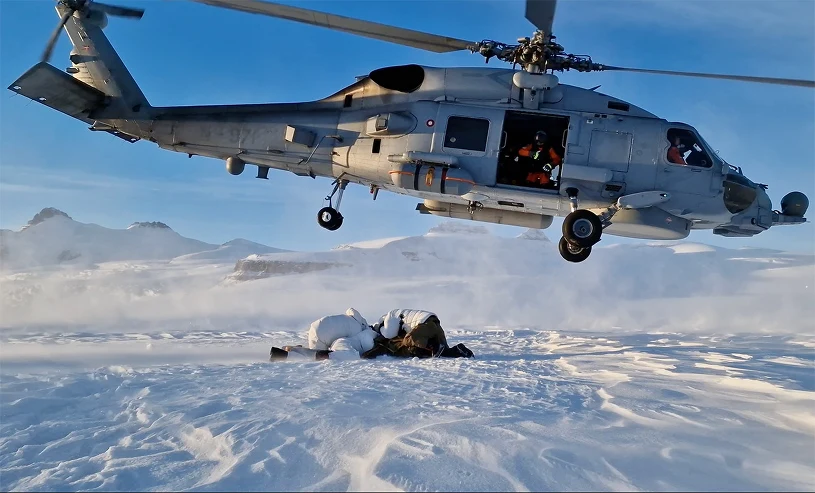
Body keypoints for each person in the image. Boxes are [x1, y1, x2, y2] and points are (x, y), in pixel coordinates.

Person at [269, 308, 473, 361]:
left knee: (412, 344)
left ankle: (442, 351)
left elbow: (389, 333)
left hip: (425, 324)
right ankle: (450, 351)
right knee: (422, 345)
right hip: (430, 323)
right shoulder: (354, 332)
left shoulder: (386, 320)